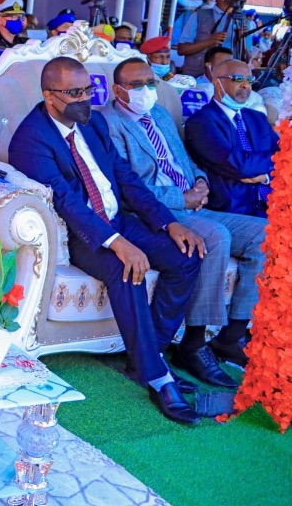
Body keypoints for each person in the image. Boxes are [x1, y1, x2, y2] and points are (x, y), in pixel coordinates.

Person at [9, 57, 206, 425]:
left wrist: (168, 223)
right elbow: (66, 201)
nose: (85, 99)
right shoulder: (30, 139)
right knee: (125, 267)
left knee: (186, 256)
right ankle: (158, 378)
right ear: (49, 95)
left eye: (88, 90)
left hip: (118, 218)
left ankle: (149, 355)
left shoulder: (94, 123)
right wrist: (116, 242)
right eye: (74, 93)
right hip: (81, 234)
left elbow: (127, 179)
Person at [102, 57, 264, 380]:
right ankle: (193, 342)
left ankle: (231, 336)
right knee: (215, 236)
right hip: (158, 210)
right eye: (136, 85)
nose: (146, 90)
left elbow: (184, 160)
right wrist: (181, 199)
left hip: (194, 202)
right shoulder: (108, 123)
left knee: (265, 233)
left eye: (150, 83)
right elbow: (127, 186)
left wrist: (200, 181)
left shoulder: (160, 114)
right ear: (118, 90)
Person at [184, 59, 278, 219]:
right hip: (234, 210)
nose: (246, 85)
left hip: (273, 204)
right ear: (217, 82)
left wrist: (266, 176)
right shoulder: (201, 122)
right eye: (238, 79)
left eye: (250, 80)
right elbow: (239, 165)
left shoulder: (257, 118)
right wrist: (273, 162)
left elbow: (284, 157)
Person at [177, 0, 254, 77]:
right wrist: (209, 42)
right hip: (197, 78)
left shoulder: (243, 22)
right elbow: (182, 49)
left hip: (228, 80)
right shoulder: (199, 15)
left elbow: (248, 59)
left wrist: (242, 41)